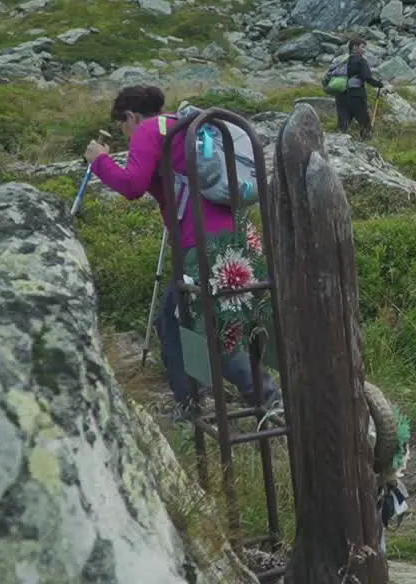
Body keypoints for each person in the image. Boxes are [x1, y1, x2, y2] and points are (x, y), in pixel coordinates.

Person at [84, 85, 281, 421]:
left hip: (200, 244)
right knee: (175, 321)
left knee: (208, 325)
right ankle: (193, 399)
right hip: (234, 236)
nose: (124, 132)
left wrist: (99, 161)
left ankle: (266, 397)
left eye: (122, 125)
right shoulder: (183, 127)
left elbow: (132, 186)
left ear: (131, 115)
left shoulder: (149, 129)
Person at [333, 37, 385, 139]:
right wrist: (379, 84)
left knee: (343, 124)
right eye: (362, 47)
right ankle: (367, 143)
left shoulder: (340, 60)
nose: (364, 50)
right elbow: (367, 78)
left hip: (340, 96)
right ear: (354, 47)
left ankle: (341, 143)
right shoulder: (361, 61)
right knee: (365, 123)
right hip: (356, 96)